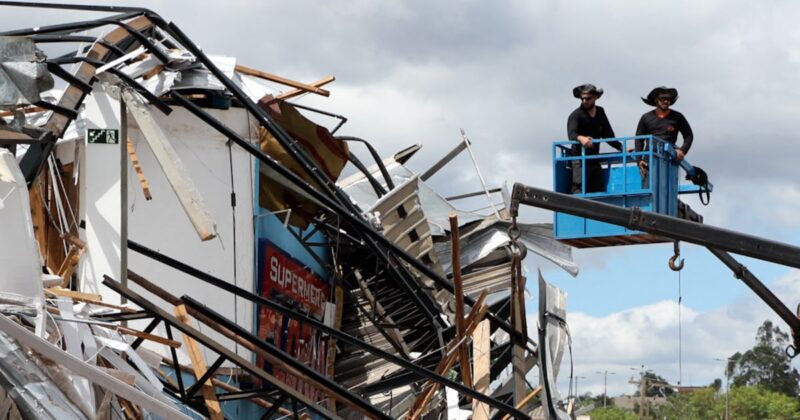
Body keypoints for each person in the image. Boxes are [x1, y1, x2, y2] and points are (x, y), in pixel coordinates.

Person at [566, 83, 622, 194]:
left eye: (587, 98)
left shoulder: (600, 112)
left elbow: (608, 135)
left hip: (594, 158)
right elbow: (571, 134)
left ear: (595, 97)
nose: (584, 101)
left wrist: (621, 147)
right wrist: (581, 138)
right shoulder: (576, 115)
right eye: (582, 98)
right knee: (579, 188)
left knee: (597, 189)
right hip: (579, 158)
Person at [635, 86, 693, 187]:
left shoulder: (678, 117)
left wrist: (682, 150)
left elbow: (688, 135)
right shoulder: (646, 117)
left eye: (668, 99)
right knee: (648, 187)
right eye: (662, 98)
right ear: (656, 100)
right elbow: (639, 139)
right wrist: (639, 160)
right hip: (650, 158)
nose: (666, 101)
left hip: (669, 158)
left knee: (667, 187)